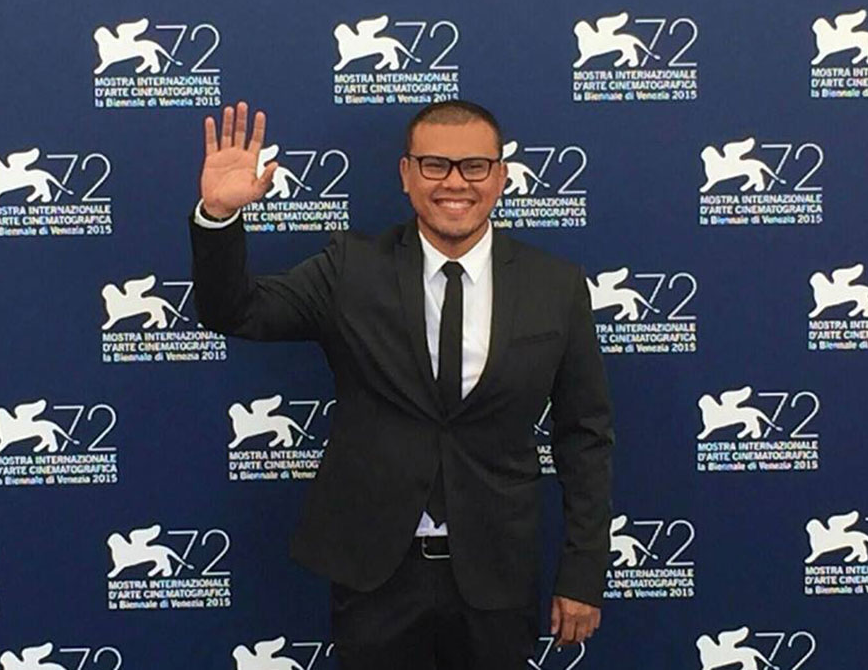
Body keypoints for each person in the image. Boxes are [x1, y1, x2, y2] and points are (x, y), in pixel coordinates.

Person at [188, 99, 614, 670]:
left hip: (497, 575)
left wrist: (583, 572)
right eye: (435, 165)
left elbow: (585, 437)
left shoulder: (555, 286)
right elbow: (235, 311)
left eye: (475, 166)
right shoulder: (350, 269)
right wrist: (218, 216)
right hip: (375, 575)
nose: (455, 182)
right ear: (406, 174)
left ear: (501, 176)